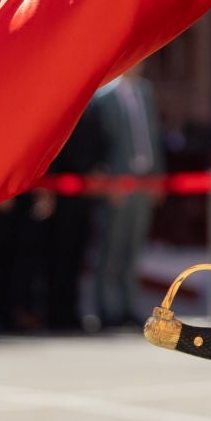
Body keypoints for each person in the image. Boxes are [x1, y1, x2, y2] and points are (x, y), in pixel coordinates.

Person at [88, 63, 165, 329]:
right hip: (118, 184)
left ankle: (128, 305)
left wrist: (157, 176)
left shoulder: (146, 92)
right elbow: (99, 143)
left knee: (133, 248)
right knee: (112, 247)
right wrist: (108, 179)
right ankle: (107, 307)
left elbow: (154, 137)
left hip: (143, 180)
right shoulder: (104, 96)